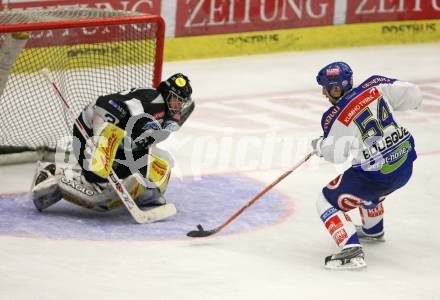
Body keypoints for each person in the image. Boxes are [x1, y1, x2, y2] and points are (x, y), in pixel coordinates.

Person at [312, 62, 422, 269]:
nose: (324, 94)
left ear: (336, 88)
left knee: (325, 200)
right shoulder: (376, 85)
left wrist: (319, 145)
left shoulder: (334, 116)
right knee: (365, 176)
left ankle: (351, 251)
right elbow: (414, 96)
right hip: (405, 164)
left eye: (325, 89)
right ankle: (373, 229)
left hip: (379, 176)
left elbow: (335, 154)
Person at [31, 73, 194, 212]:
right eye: (176, 100)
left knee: (143, 175)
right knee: (99, 193)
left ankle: (142, 194)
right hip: (88, 131)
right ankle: (53, 173)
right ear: (166, 93)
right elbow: (106, 102)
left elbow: (144, 137)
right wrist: (96, 137)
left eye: (182, 102)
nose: (179, 105)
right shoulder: (151, 101)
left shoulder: (167, 113)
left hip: (118, 140)